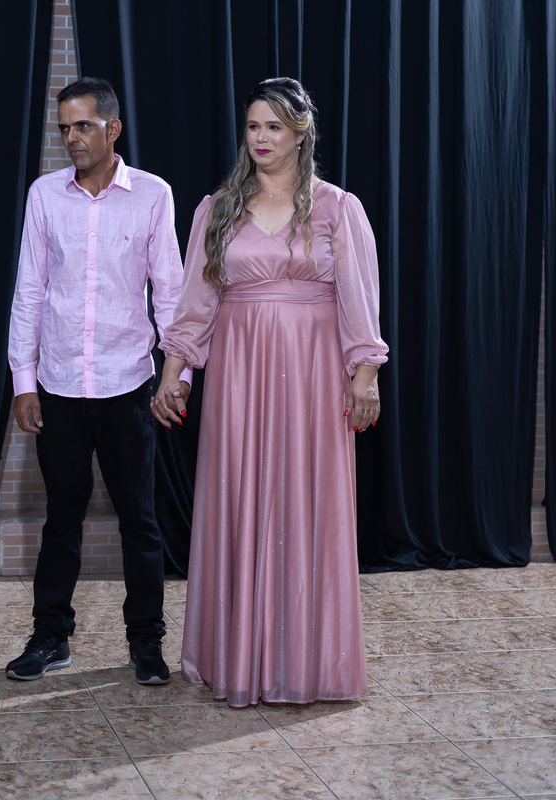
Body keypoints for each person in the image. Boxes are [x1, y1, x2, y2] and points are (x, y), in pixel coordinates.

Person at [152, 77, 388, 706]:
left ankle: (308, 663)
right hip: (239, 373)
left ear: (300, 134)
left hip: (314, 374)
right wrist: (174, 372)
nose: (261, 138)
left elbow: (359, 297)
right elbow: (196, 301)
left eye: (274, 127)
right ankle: (238, 658)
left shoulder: (338, 208)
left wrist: (365, 373)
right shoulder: (218, 208)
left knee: (309, 504)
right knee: (239, 497)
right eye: (254, 126)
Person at [5, 77, 190, 685]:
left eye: (83, 125)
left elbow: (171, 292)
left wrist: (177, 373)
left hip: (128, 386)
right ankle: (50, 636)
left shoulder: (153, 195)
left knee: (140, 521)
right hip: (58, 386)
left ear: (113, 129)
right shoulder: (44, 195)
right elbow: (30, 290)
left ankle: (146, 641)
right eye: (64, 128)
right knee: (61, 519)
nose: (71, 138)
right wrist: (23, 380)